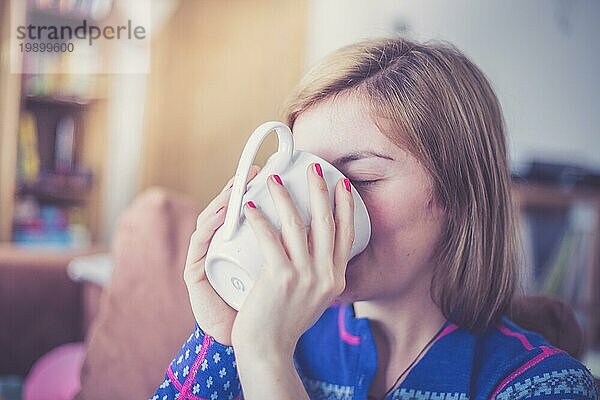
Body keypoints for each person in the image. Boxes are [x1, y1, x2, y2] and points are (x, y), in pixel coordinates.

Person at [151, 37, 598, 399]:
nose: (319, 211)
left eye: (358, 180)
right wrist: (228, 340)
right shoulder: (270, 334)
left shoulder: (543, 386)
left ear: (460, 195)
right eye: (306, 176)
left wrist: (266, 361)